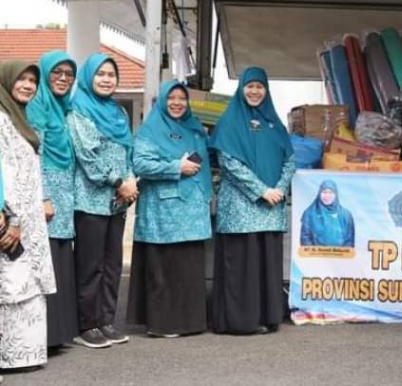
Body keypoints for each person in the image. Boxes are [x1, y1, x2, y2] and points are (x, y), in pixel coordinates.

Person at [210, 67, 295, 335]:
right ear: (241, 88)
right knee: (242, 266)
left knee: (266, 264)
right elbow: (228, 163)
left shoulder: (275, 123)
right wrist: (262, 191)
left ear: (266, 90)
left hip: (271, 208)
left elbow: (290, 159)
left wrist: (279, 188)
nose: (255, 91)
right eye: (250, 86)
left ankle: (267, 317)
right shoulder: (230, 122)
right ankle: (240, 322)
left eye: (260, 86)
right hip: (241, 209)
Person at [127, 80, 212, 338]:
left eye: (181, 98)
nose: (177, 103)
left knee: (188, 267)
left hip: (193, 210)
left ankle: (190, 323)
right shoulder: (149, 131)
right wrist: (177, 167)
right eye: (171, 98)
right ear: (162, 101)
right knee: (165, 268)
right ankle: (163, 324)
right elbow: (141, 164)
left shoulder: (195, 129)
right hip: (164, 212)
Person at [68, 54, 137, 349]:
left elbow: (127, 151)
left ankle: (106, 320)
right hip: (91, 200)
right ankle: (87, 324)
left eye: (111, 74)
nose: (107, 79)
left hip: (117, 202)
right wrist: (119, 182)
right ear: (89, 77)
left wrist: (131, 182)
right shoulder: (79, 110)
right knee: (90, 265)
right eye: (101, 74)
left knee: (112, 264)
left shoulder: (119, 112)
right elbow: (87, 156)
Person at [0, 60, 56, 370]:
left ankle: (23, 354)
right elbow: (4, 172)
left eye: (32, 81)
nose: (27, 85)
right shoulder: (1, 119)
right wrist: (15, 217)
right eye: (20, 79)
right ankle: (9, 354)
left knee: (25, 283)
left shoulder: (16, 117)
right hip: (12, 219)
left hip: (28, 218)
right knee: (12, 283)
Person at [26, 51, 79, 349]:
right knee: (45, 262)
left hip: (65, 196)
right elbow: (36, 154)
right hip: (47, 195)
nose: (62, 78)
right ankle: (43, 336)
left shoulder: (64, 107)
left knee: (59, 261)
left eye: (68, 74)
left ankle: (57, 334)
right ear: (46, 75)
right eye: (56, 72)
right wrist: (43, 197)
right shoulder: (38, 106)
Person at [300, 180, 355, 248]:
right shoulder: (309, 213)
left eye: (330, 192)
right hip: (316, 255)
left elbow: (349, 240)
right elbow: (305, 238)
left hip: (340, 255)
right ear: (319, 193)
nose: (327, 196)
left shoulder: (346, 214)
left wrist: (341, 255)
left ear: (336, 194)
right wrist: (316, 255)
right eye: (324, 192)